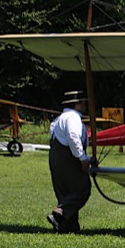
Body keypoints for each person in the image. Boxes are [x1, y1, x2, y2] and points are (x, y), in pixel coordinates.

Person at [47, 91, 93, 233]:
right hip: (68, 158)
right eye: (83, 103)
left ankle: (67, 227)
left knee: (65, 192)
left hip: (56, 156)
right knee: (82, 189)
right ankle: (59, 213)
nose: (85, 106)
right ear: (77, 104)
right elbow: (73, 137)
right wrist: (83, 158)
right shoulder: (73, 117)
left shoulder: (59, 118)